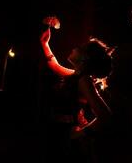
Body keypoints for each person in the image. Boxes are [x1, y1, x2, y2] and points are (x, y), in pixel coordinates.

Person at [39, 16, 113, 163]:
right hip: (58, 133)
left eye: (79, 48)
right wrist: (44, 44)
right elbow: (56, 66)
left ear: (84, 58)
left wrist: (82, 133)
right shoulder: (76, 76)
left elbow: (106, 116)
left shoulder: (84, 80)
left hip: (67, 138)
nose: (74, 48)